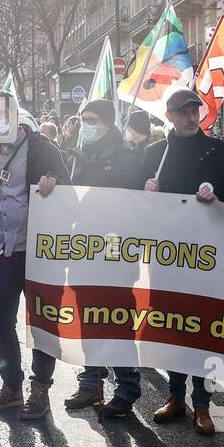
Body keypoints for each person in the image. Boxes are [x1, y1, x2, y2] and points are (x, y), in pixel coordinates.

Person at [139, 88, 224, 433]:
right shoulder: (154, 153)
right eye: (182, 112)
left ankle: (202, 403)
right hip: (166, 256)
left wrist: (218, 197)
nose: (190, 117)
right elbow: (132, 205)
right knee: (171, 324)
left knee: (200, 327)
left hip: (205, 254)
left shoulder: (221, 151)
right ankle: (175, 395)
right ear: (168, 115)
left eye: (194, 111)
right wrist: (146, 192)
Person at [0, 89, 68, 419]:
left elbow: (70, 190)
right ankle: (11, 387)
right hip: (1, 253)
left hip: (38, 252)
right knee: (1, 321)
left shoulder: (44, 148)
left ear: (15, 114)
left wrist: (55, 181)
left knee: (43, 321)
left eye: (2, 113)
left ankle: (40, 389)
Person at [61, 99, 147, 418]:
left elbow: (132, 205)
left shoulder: (127, 158)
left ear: (109, 124)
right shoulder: (78, 154)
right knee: (87, 316)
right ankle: (91, 382)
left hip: (116, 254)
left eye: (92, 119)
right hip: (83, 251)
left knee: (117, 321)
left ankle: (127, 387)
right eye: (83, 119)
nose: (86, 124)